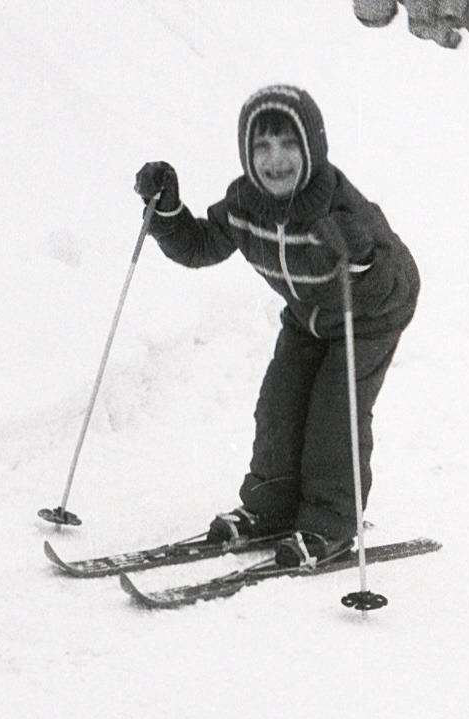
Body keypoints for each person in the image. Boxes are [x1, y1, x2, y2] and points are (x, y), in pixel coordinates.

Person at [135, 84, 419, 568]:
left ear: (312, 148)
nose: (276, 159)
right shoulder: (246, 204)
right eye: (262, 146)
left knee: (335, 414)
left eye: (289, 144)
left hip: (366, 317)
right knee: (278, 405)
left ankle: (330, 523)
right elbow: (201, 246)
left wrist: (363, 259)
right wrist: (166, 213)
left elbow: (398, 282)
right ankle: (270, 508)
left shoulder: (340, 207)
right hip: (307, 318)